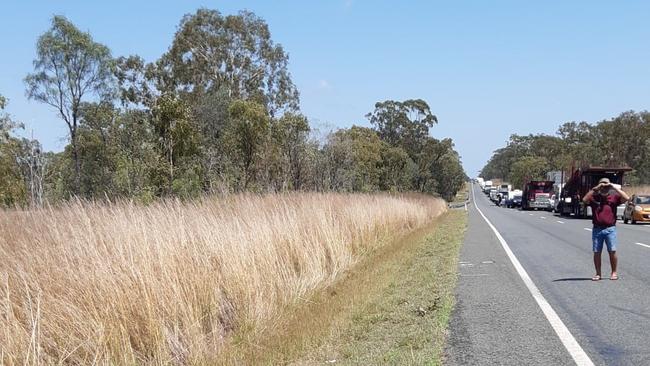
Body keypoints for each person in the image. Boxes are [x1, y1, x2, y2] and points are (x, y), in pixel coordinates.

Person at [582, 177, 629, 281]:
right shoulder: (594, 197)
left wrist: (613, 187)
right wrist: (596, 188)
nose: (604, 187)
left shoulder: (614, 197)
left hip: (610, 229)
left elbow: (626, 198)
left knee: (612, 251)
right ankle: (598, 274)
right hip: (597, 229)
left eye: (606, 185)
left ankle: (614, 272)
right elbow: (584, 200)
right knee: (597, 252)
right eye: (602, 185)